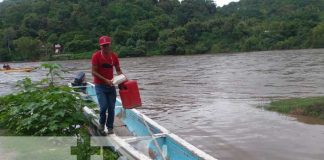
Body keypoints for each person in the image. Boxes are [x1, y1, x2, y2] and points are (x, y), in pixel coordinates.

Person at [91, 35, 124, 134]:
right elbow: (93, 72)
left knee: (111, 108)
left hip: (111, 86)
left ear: (110, 45)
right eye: (103, 46)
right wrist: (105, 80)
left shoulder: (114, 56)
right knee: (104, 106)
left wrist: (122, 80)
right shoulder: (96, 56)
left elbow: (118, 70)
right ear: (100, 46)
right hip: (100, 86)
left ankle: (110, 127)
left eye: (107, 45)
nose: (105, 47)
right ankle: (101, 123)